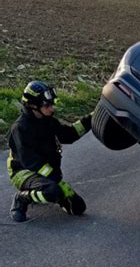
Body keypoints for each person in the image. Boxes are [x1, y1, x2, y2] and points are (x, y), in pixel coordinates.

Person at [7, 80, 92, 222]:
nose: (52, 108)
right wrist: (55, 180)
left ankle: (48, 190)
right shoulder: (20, 128)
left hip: (47, 172)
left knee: (78, 208)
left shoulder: (48, 120)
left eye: (52, 104)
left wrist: (94, 117)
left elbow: (70, 134)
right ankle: (22, 198)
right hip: (22, 172)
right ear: (33, 106)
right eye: (47, 105)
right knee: (52, 191)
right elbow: (30, 161)